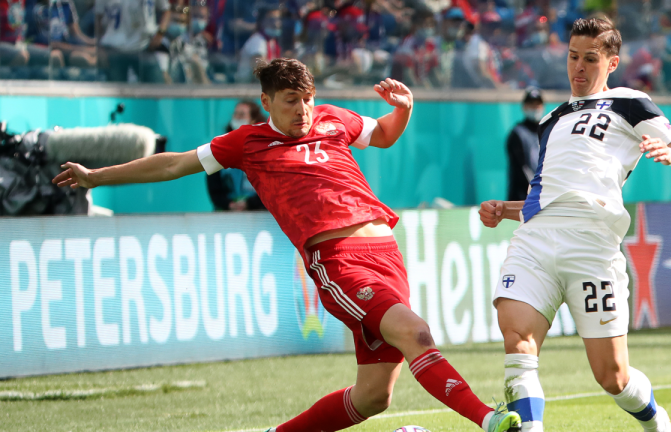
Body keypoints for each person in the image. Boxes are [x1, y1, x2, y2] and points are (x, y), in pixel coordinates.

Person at [53, 58, 522, 432]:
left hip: (387, 255)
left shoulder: (334, 119)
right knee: (415, 333)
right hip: (338, 262)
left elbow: (381, 135)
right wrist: (97, 175)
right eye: (291, 101)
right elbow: (173, 165)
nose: (303, 110)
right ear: (267, 102)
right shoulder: (247, 143)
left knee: (374, 396)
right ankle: (489, 419)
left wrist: (404, 110)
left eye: (308, 100)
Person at [479, 18, 671, 432]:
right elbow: (545, 194)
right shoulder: (551, 119)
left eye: (590, 59)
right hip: (536, 240)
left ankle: (656, 420)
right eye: (572, 57)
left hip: (592, 243)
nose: (578, 67)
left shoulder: (630, 102)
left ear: (612, 62)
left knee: (613, 378)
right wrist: (506, 209)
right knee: (517, 340)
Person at [206, 99, 267, 211]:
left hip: (259, 213)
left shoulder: (265, 151)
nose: (237, 117)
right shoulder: (219, 146)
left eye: (242, 114)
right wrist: (229, 204)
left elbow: (271, 187)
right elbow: (214, 186)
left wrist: (249, 204)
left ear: (253, 120)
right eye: (236, 114)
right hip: (227, 212)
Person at [94, 0, 171, 83]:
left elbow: (166, 10)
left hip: (145, 45)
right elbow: (98, 19)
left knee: (157, 88)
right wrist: (99, 47)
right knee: (117, 91)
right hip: (114, 49)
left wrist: (160, 33)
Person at [505, 87, 543, 201]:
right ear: (524, 107)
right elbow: (522, 169)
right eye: (531, 104)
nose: (535, 108)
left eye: (538, 104)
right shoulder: (517, 134)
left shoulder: (546, 132)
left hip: (542, 197)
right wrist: (537, 189)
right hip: (521, 198)